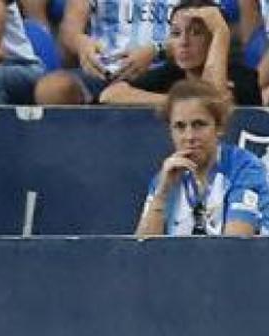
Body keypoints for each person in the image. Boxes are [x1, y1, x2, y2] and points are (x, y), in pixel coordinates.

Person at [135, 79, 269, 236]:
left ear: (219, 127)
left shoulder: (244, 167)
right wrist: (162, 194)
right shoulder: (166, 177)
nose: (189, 136)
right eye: (179, 126)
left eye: (199, 124)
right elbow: (143, 251)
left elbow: (236, 245)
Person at [100, 0, 260, 106]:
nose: (184, 42)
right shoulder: (170, 73)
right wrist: (178, 102)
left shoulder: (243, 76)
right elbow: (109, 95)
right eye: (176, 33)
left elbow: (210, 103)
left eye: (196, 32)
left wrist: (220, 31)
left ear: (214, 39)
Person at [34, 0, 173, 104]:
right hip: (104, 70)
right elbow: (70, 29)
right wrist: (81, 42)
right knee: (52, 89)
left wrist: (157, 50)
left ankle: (171, 103)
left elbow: (193, 34)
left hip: (167, 70)